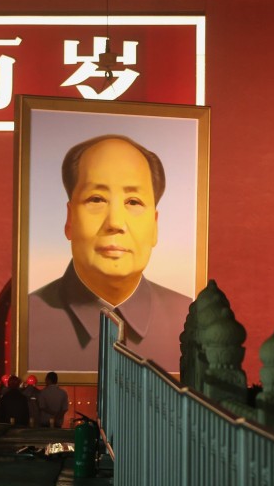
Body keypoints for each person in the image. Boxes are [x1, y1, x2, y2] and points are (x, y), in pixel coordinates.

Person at [28, 134, 193, 372]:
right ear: (69, 219)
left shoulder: (188, 318)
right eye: (96, 199)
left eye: (133, 202)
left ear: (155, 225)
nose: (115, 222)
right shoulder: (28, 318)